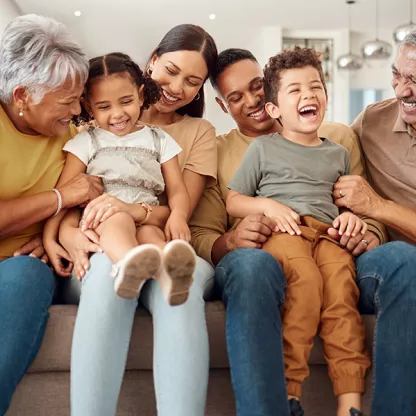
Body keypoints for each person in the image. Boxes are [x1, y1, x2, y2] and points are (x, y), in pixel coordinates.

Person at [190, 48, 386, 416]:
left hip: (328, 236)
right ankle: (290, 392)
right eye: (236, 97)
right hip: (282, 237)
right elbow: (226, 209)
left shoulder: (338, 146)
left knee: (341, 291)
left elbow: (357, 204)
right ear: (222, 104)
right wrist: (251, 221)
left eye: (256, 89)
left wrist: (358, 223)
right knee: (306, 282)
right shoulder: (241, 150)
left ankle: (350, 402)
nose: (253, 102)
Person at [58, 25, 218, 416]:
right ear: (152, 64)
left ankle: (162, 270)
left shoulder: (183, 135)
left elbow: (175, 201)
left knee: (172, 270)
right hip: (101, 230)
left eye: (192, 81)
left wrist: (153, 214)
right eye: (171, 70)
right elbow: (64, 197)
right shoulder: (89, 133)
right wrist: (62, 234)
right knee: (106, 273)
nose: (177, 87)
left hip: (150, 225)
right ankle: (130, 263)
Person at [0, 14, 102, 415]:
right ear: (22, 95)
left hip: (25, 267)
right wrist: (59, 198)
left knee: (26, 275)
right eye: (66, 101)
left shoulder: (76, 140)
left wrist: (52, 235)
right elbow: (71, 196)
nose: (77, 109)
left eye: (79, 98)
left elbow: (89, 204)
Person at [44, 52, 196, 305]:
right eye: (104, 107)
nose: (117, 114)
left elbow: (178, 189)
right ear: (88, 106)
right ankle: (127, 263)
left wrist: (179, 216)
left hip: (144, 215)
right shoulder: (86, 141)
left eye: (126, 101)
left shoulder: (160, 140)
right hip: (102, 217)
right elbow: (63, 194)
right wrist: (52, 237)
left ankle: (171, 278)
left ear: (141, 95)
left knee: (152, 237)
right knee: (119, 218)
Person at [332, 30, 416, 416]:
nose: (402, 92)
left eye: (414, 81)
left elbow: (373, 203)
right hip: (385, 262)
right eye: (397, 76)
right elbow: (328, 152)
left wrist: (378, 205)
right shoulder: (372, 121)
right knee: (403, 259)